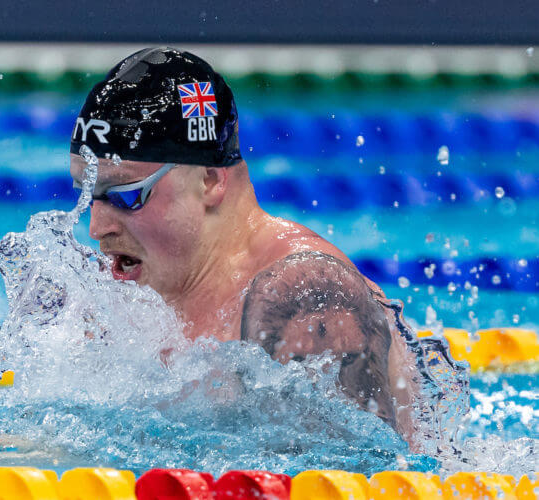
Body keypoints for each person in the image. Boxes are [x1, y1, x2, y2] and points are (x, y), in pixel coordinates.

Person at [68, 47, 456, 447]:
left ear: (209, 181)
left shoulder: (307, 296)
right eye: (86, 195)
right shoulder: (124, 298)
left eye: (125, 195)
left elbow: (353, 483)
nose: (96, 227)